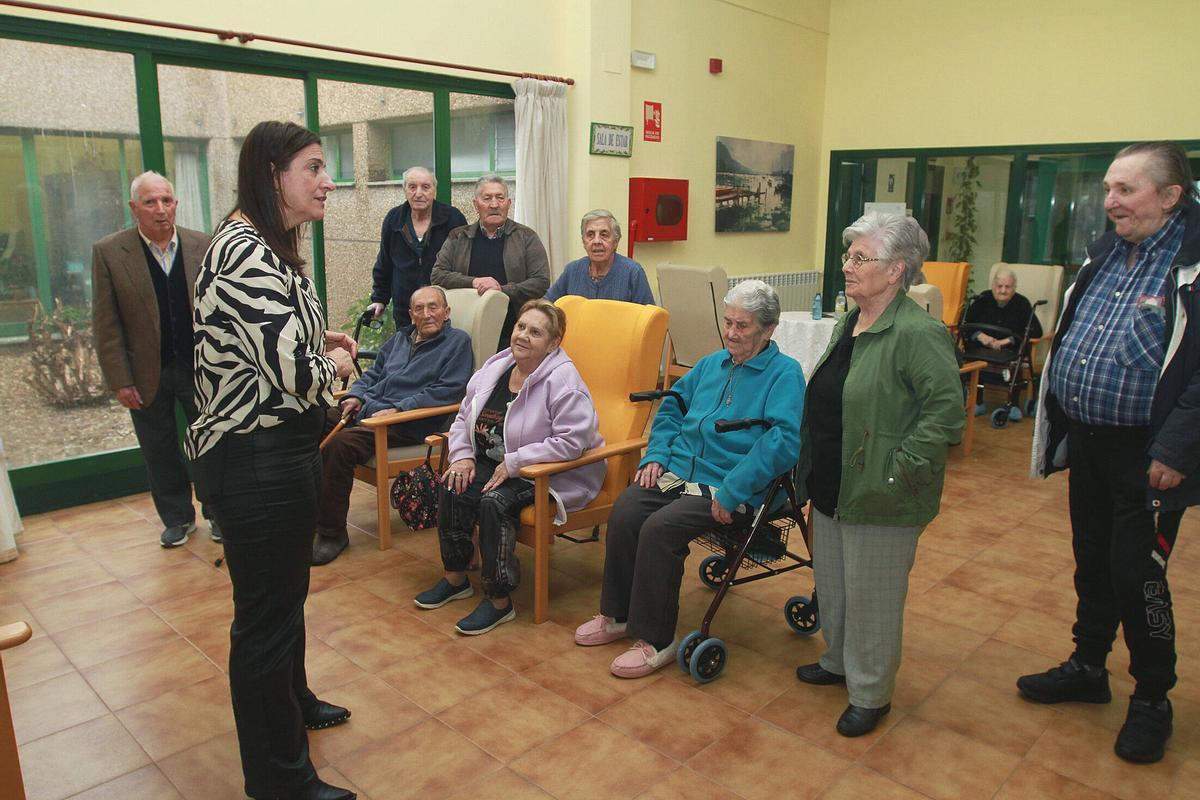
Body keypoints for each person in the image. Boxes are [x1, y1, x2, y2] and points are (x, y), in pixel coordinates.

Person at [186, 121, 358, 800]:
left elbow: (278, 339)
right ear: (271, 172)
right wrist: (336, 362)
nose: (327, 181)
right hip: (255, 463)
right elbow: (295, 371)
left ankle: (296, 703)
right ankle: (279, 779)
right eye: (314, 167)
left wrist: (323, 334)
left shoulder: (263, 244)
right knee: (264, 622)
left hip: (277, 454)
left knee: (284, 604)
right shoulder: (245, 254)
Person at [1022, 141, 1200, 764]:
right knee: (1092, 560)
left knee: (1138, 575)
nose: (1109, 202)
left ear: (1171, 196)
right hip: (1091, 446)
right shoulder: (1107, 254)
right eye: (1107, 189)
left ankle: (1153, 697)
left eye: (1125, 190)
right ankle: (1088, 667)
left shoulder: (1192, 266)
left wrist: (1176, 449)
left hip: (1149, 457)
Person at [574, 280, 803, 678]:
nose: (731, 333)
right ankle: (618, 615)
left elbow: (782, 443)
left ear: (768, 329)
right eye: (728, 322)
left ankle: (656, 640)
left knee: (661, 530)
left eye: (743, 326)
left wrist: (734, 490)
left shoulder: (785, 374)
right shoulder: (711, 364)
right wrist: (658, 455)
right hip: (680, 472)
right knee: (627, 509)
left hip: (729, 485)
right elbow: (673, 409)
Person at [794, 212, 963, 738]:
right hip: (834, 482)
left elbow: (946, 415)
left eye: (859, 258)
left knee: (874, 595)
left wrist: (901, 470)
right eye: (848, 256)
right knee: (837, 586)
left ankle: (870, 693)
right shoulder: (851, 320)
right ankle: (839, 661)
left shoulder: (918, 332)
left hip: (881, 490)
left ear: (896, 271)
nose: (846, 266)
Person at [413, 299, 603, 635]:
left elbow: (573, 442)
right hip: (493, 461)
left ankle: (499, 600)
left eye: (536, 332)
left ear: (553, 343)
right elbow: (463, 417)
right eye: (520, 327)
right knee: (452, 485)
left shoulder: (563, 381)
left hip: (550, 473)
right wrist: (462, 456)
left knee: (494, 502)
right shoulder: (497, 367)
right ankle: (456, 578)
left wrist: (515, 462)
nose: (523, 336)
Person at [92, 171, 216, 547]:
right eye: (150, 202)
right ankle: (177, 518)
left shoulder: (203, 244)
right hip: (146, 372)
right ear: (134, 208)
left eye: (167, 200)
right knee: (158, 448)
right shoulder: (111, 253)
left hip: (201, 369)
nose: (161, 210)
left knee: (210, 442)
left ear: (175, 203)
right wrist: (119, 379)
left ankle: (218, 514)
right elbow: (106, 323)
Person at [313, 285, 474, 565]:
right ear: (411, 315)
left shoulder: (458, 343)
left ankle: (331, 533)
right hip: (369, 411)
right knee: (309, 422)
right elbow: (373, 373)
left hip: (408, 423)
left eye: (433, 307)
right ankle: (305, 515)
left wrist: (400, 408)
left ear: (446, 312)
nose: (427, 314)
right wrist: (354, 395)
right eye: (419, 309)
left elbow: (450, 390)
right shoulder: (399, 339)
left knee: (340, 446)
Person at [431, 175, 550, 349]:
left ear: (508, 204)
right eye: (487, 198)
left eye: (500, 198)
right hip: (464, 331)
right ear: (476, 205)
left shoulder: (527, 237)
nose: (494, 204)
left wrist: (502, 290)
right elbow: (437, 274)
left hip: (515, 331)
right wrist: (474, 282)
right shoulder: (458, 236)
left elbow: (541, 281)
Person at [367, 166, 467, 330]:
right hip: (406, 311)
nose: (418, 193)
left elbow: (464, 265)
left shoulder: (453, 218)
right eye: (412, 187)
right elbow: (384, 262)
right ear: (404, 189)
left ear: (434, 190)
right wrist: (379, 298)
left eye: (425, 187)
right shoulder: (394, 219)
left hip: (442, 310)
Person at [962, 267, 1043, 419]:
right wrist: (981, 336)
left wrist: (1007, 340)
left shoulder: (1022, 303)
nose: (1003, 291)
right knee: (969, 357)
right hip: (981, 347)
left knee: (1015, 362)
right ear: (993, 286)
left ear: (1014, 288)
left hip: (1010, 350)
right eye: (999, 286)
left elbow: (1036, 330)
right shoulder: (982, 299)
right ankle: (977, 402)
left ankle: (1012, 405)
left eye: (1008, 287)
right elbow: (965, 322)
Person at [545, 210, 654, 304]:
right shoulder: (572, 270)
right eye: (590, 235)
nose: (596, 241)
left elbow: (650, 319)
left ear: (616, 241)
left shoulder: (633, 272)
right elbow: (547, 303)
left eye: (604, 234)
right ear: (584, 242)